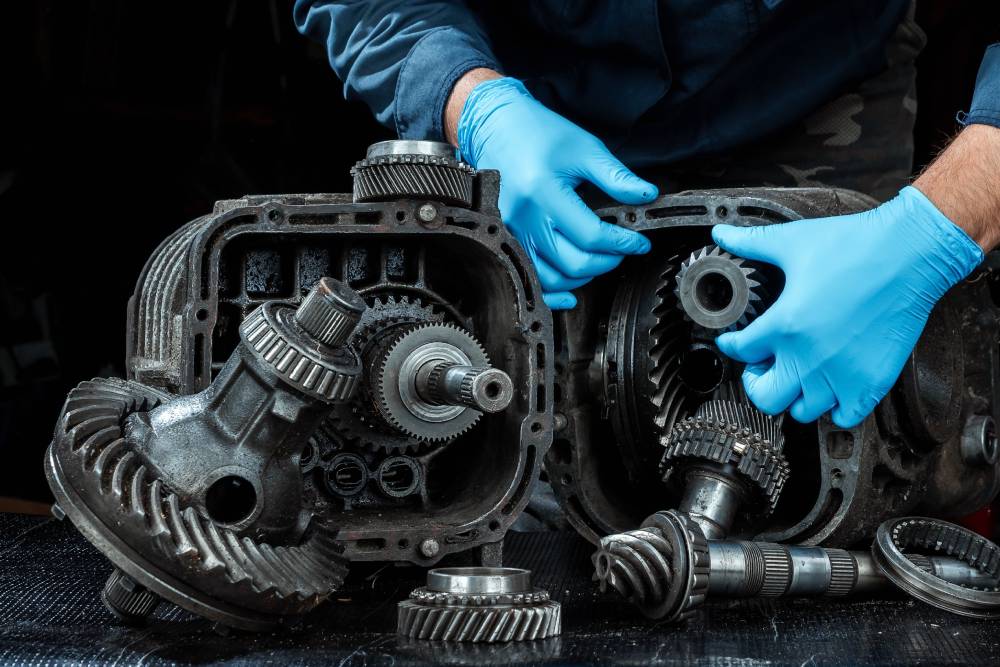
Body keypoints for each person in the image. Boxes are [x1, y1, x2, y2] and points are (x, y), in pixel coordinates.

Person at [294, 1, 999, 429]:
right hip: (546, 113)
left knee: (867, 427)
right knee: (540, 425)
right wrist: (472, 102)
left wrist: (933, 232)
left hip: (815, 84)